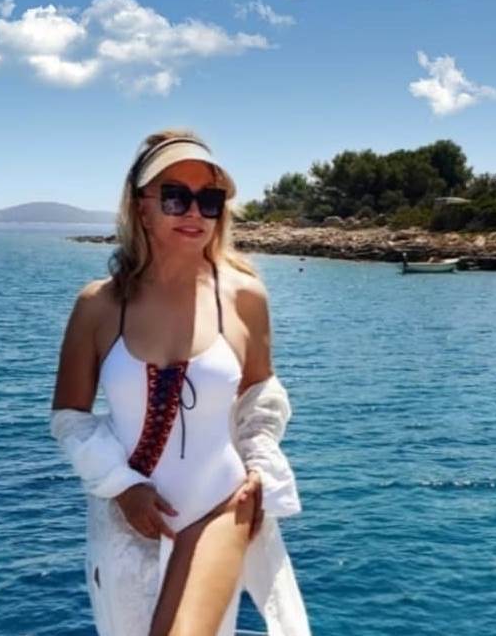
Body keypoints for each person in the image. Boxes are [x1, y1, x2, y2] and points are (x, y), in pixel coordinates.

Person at [50, 128, 311, 635]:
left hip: (222, 509)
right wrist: (123, 487)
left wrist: (260, 467)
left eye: (208, 200)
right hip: (128, 529)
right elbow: (69, 418)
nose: (194, 212)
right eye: (175, 196)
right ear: (141, 207)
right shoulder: (98, 306)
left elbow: (261, 399)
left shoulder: (244, 297)